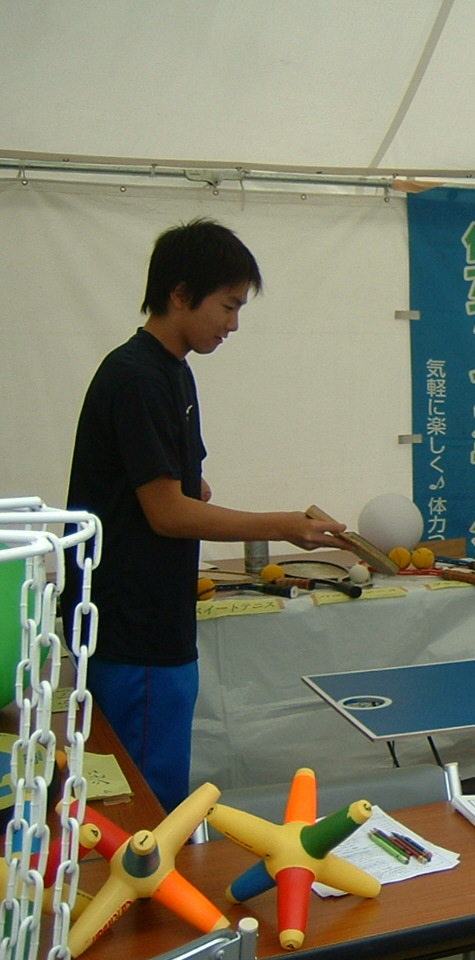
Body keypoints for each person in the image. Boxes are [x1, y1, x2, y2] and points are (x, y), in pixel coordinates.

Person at [62, 218, 345, 812]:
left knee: (159, 782)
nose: (233, 324)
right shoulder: (137, 377)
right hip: (134, 625)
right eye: (228, 306)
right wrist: (284, 525)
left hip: (158, 619)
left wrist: (191, 486)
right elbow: (167, 514)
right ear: (180, 293)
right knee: (147, 802)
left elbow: (183, 485)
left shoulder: (173, 372)